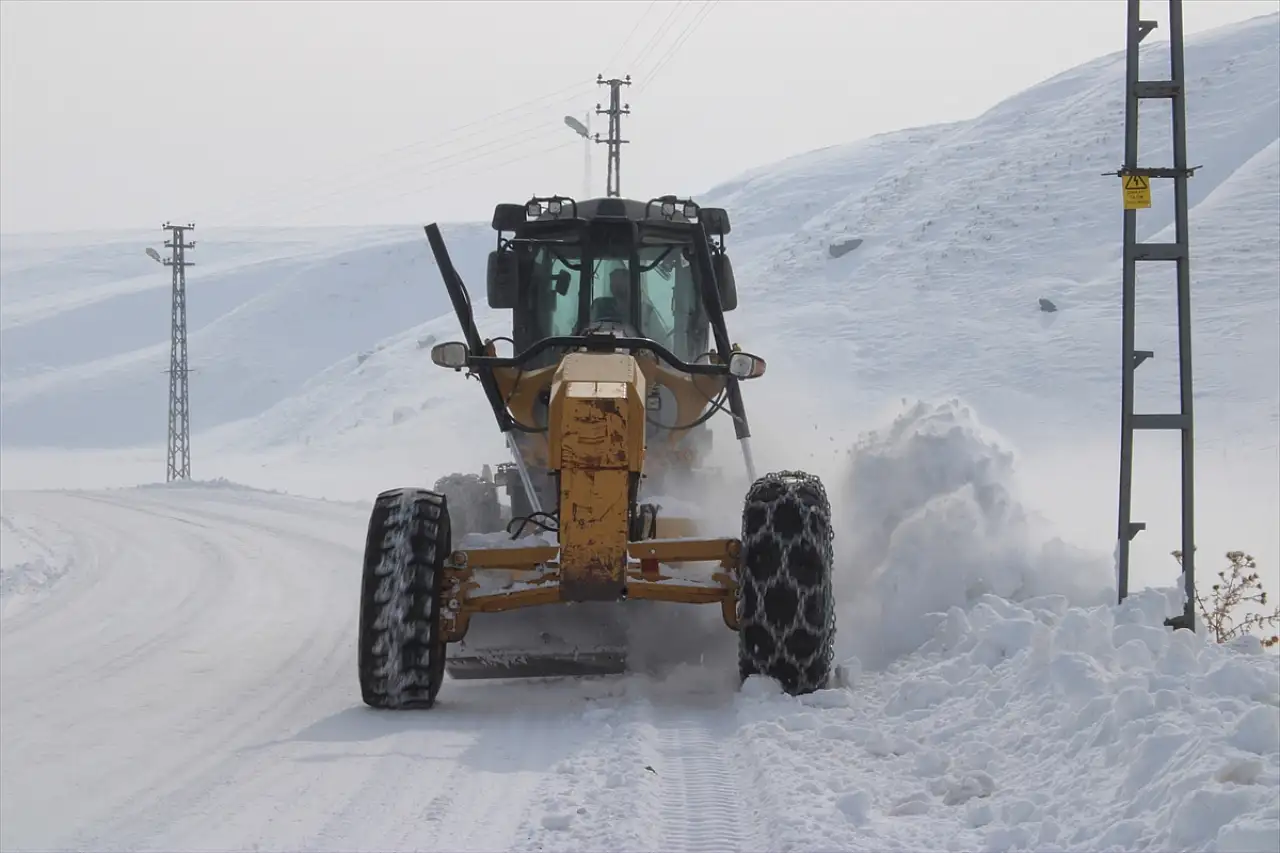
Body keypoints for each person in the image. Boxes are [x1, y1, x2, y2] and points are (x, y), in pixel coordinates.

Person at [591, 266, 672, 345]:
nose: (617, 284)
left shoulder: (646, 312)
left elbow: (663, 346)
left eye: (621, 279)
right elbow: (581, 335)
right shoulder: (598, 308)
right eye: (614, 281)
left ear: (631, 284)